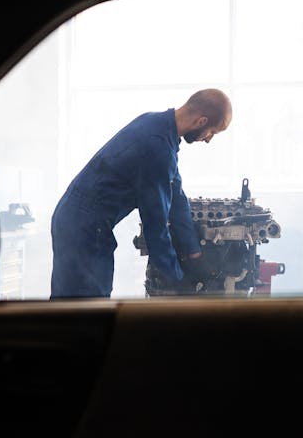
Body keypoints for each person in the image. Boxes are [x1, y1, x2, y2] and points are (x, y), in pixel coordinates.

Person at [51, 89, 232, 298]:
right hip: (83, 229)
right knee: (85, 308)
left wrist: (194, 253)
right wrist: (178, 281)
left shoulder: (159, 127)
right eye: (213, 132)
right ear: (201, 121)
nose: (209, 139)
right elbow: (155, 224)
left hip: (77, 220)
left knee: (75, 304)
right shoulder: (157, 147)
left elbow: (177, 198)